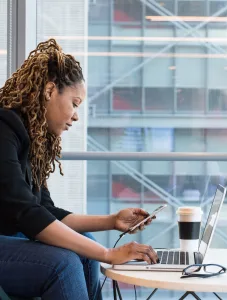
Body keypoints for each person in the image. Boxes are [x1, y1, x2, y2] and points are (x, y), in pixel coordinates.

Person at [0, 39, 158, 300]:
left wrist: (111, 221)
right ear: (50, 90)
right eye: (74, 103)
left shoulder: (30, 140)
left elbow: (46, 211)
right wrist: (108, 254)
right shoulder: (4, 129)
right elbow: (27, 214)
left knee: (83, 247)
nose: (76, 116)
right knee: (63, 264)